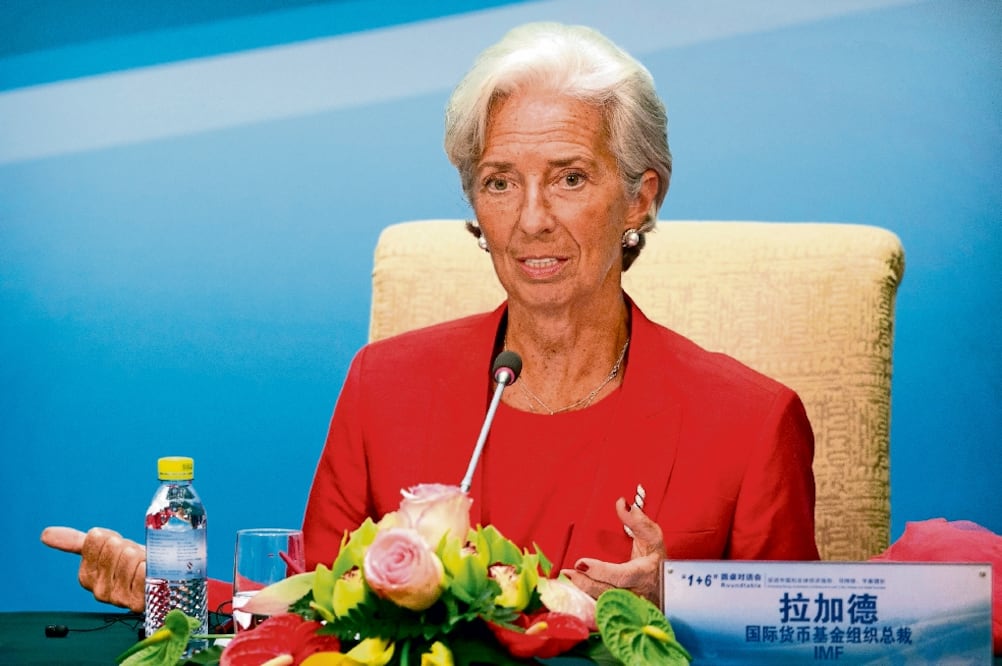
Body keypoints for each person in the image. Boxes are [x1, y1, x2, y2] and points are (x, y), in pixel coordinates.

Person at [42, 21, 818, 612]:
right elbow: (316, 612)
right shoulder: (387, 385)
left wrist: (685, 611)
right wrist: (167, 589)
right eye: (500, 182)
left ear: (641, 199)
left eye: (571, 177)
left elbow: (801, 643)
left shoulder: (749, 424)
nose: (532, 219)